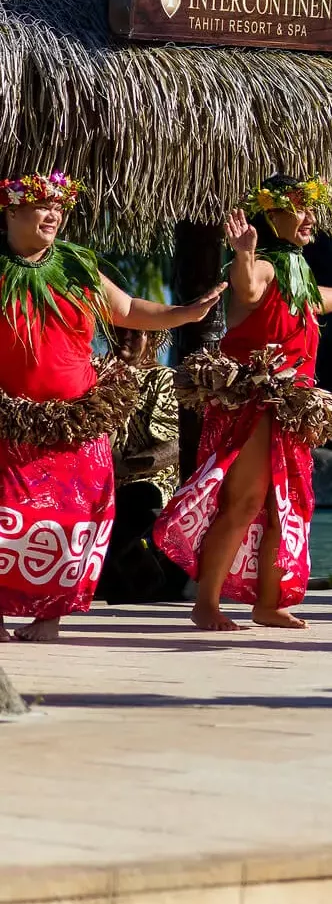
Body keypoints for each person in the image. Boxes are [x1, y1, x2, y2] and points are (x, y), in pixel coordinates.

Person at [0, 172, 223, 642]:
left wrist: (185, 313)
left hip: (78, 419)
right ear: (12, 211)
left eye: (59, 207)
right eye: (42, 206)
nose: (53, 214)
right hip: (10, 420)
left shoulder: (77, 266)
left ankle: (49, 616)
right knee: (7, 517)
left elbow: (126, 308)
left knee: (73, 521)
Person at [155, 176, 332, 631]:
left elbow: (314, 302)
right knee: (245, 500)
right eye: (301, 208)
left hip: (291, 408)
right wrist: (242, 253)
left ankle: (268, 602)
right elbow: (250, 289)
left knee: (286, 504)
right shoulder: (265, 267)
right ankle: (206, 603)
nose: (312, 217)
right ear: (272, 215)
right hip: (256, 403)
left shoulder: (297, 272)